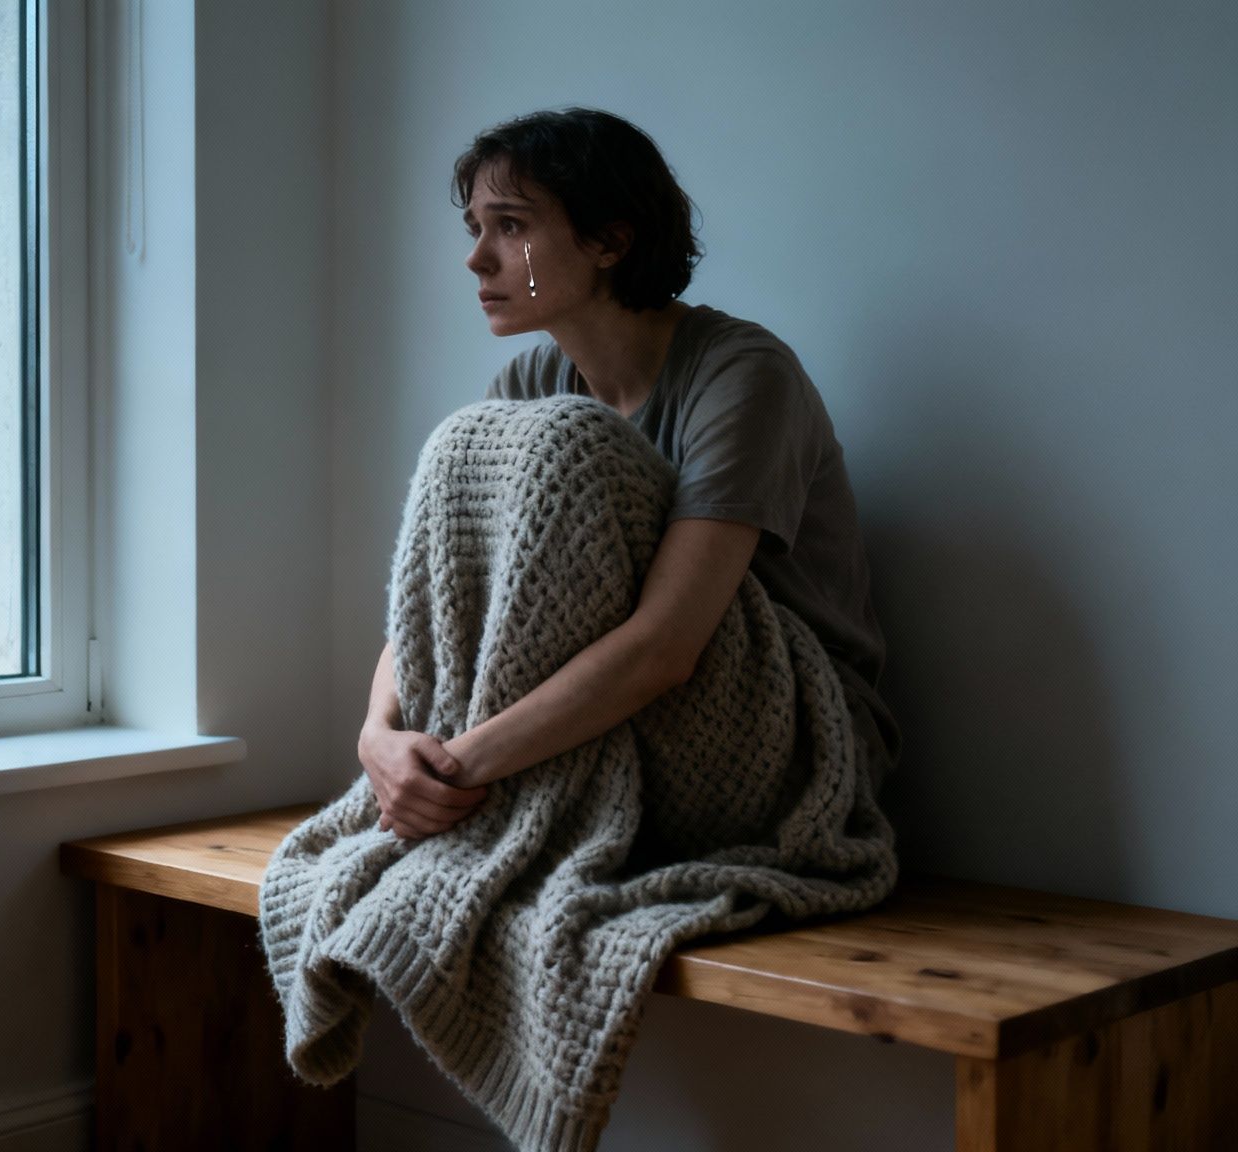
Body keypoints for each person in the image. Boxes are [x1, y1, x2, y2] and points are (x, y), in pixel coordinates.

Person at [358, 107, 896, 841]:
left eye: (510, 226)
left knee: (568, 444)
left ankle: (484, 817)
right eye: (476, 229)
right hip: (611, 728)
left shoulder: (743, 375)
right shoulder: (524, 385)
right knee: (467, 445)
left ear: (610, 241)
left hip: (792, 733)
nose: (477, 259)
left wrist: (457, 771)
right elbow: (444, 594)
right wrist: (379, 738)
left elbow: (666, 647)